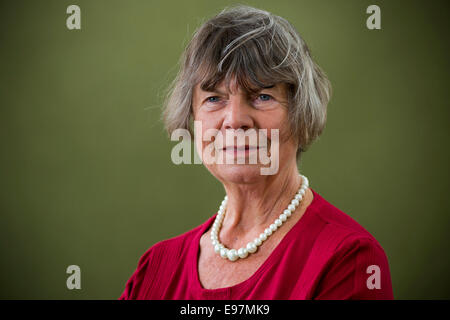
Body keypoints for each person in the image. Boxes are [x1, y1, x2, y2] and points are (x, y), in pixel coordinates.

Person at [120, 5, 393, 300]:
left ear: (301, 114)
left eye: (262, 96)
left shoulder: (349, 261)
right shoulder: (155, 269)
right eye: (214, 98)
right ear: (193, 118)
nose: (236, 119)